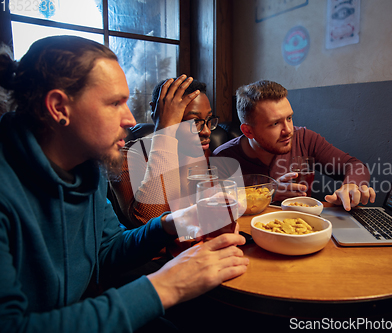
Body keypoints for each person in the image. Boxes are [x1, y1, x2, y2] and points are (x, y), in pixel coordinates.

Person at [0, 35, 248, 332]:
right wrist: (166, 287)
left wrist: (171, 222)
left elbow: (107, 249)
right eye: (115, 103)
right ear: (59, 107)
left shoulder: (87, 168)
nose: (131, 119)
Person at [213, 79, 376, 210]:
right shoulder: (223, 157)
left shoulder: (305, 139)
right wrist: (268, 194)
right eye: (275, 124)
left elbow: (355, 165)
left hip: (303, 231)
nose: (288, 130)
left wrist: (351, 185)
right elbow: (216, 209)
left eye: (289, 118)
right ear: (248, 131)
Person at [109, 77, 219, 228]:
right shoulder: (128, 158)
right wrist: (164, 132)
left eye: (208, 119)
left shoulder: (201, 153)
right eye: (194, 122)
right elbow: (147, 222)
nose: (206, 131)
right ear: (159, 114)